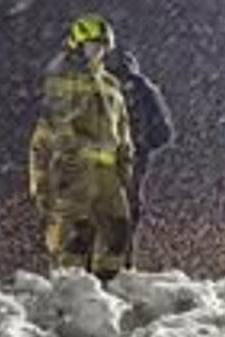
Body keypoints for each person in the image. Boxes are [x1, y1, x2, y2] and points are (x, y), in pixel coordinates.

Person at [27, 13, 134, 280]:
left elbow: (122, 129)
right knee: (76, 234)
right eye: (90, 45)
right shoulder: (64, 79)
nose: (96, 51)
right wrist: (45, 179)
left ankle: (106, 287)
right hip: (75, 171)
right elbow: (52, 128)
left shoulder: (112, 85)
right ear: (77, 46)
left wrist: (126, 163)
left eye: (100, 46)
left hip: (108, 171)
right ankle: (70, 293)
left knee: (118, 231)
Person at [108, 50, 175, 242]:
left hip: (109, 152)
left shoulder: (102, 87)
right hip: (133, 153)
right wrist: (144, 145)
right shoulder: (145, 88)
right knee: (129, 200)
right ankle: (122, 253)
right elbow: (164, 130)